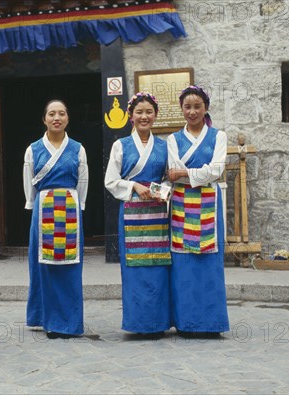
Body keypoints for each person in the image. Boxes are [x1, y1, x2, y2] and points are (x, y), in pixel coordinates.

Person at [104, 92, 171, 338]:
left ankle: (157, 322)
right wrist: (134, 186)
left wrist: (159, 191)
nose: (144, 116)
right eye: (139, 112)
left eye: (149, 112)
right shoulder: (120, 145)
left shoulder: (164, 146)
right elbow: (111, 180)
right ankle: (137, 322)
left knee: (158, 265)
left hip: (156, 212)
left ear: (155, 115)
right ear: (131, 116)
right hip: (131, 211)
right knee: (134, 268)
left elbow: (168, 178)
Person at [166, 85, 229, 337]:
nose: (192, 111)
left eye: (197, 106)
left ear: (206, 108)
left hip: (209, 206)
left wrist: (185, 173)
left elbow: (217, 170)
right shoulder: (172, 139)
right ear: (181, 109)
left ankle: (211, 323)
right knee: (184, 265)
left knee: (209, 264)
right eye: (187, 107)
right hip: (181, 204)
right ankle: (186, 323)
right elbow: (173, 172)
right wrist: (192, 174)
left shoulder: (218, 136)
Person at [23, 99, 88, 339]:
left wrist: (77, 206)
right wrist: (34, 204)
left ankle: (69, 321)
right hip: (44, 210)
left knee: (69, 267)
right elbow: (28, 180)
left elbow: (83, 181)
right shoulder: (33, 149)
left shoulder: (78, 148)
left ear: (68, 118)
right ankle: (47, 319)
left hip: (70, 210)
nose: (56, 118)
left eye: (62, 113)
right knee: (44, 266)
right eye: (52, 114)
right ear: (44, 119)